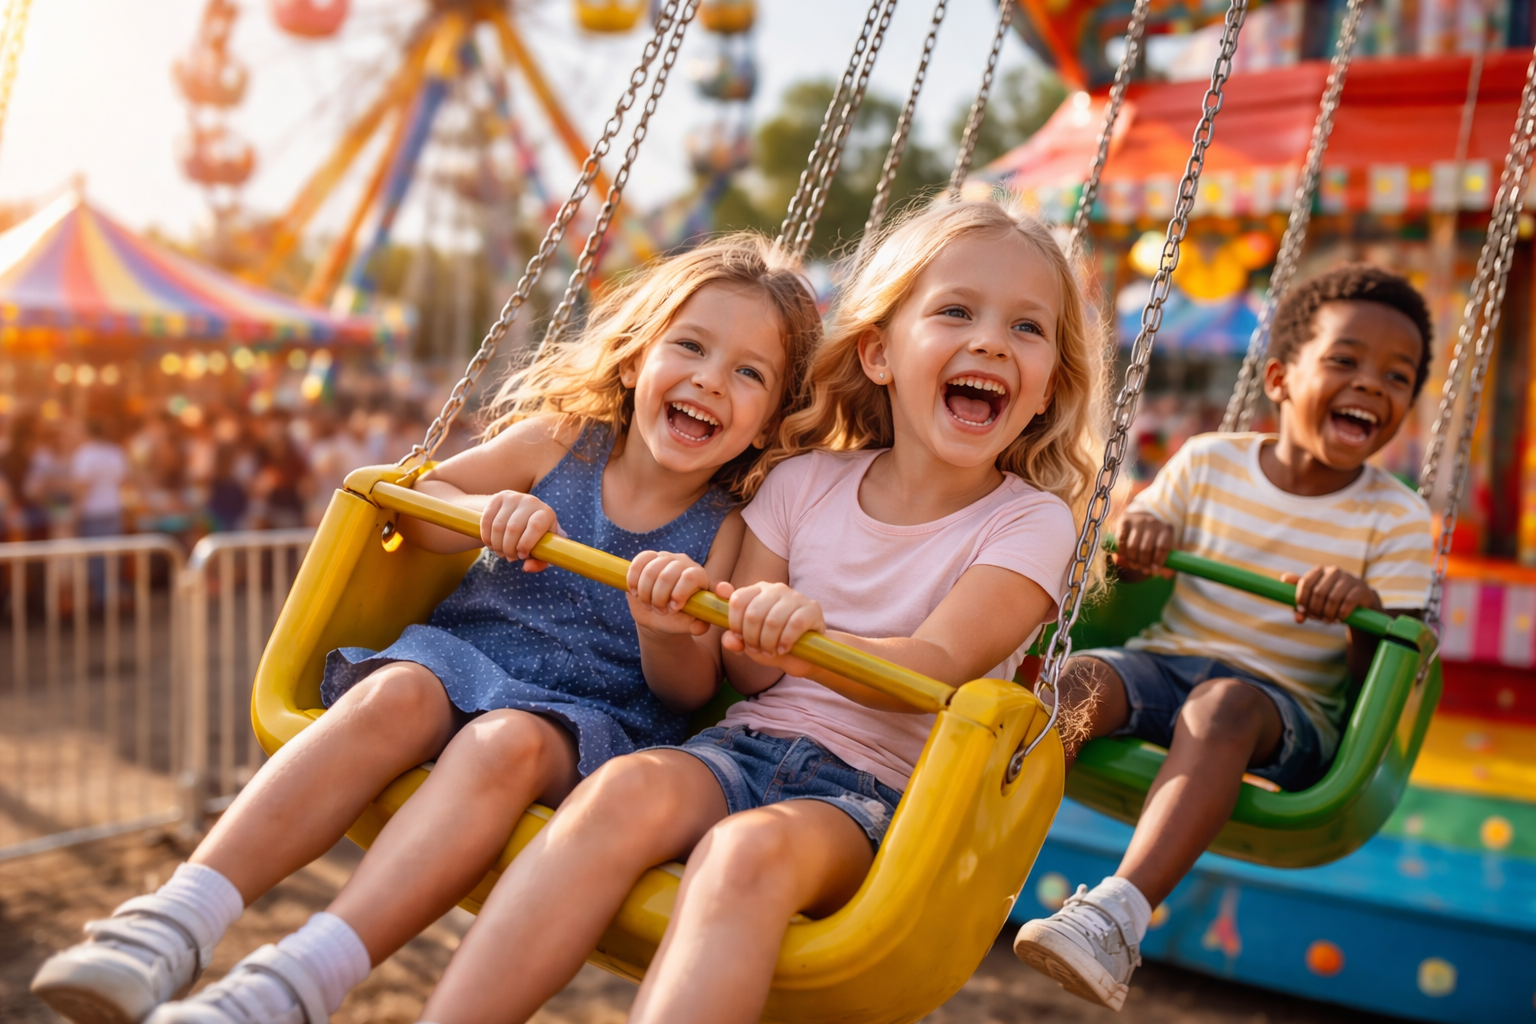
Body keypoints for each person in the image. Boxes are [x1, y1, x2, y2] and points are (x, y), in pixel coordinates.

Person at [31, 234, 823, 1024]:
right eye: (689, 345)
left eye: (748, 373)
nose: (709, 380)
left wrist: (663, 629)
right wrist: (488, 513)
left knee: (505, 741)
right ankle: (170, 922)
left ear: (766, 424)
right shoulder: (559, 444)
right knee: (394, 695)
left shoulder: (725, 528)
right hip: (465, 658)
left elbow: (689, 688)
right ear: (633, 361)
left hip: (592, 720)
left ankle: (288, 986)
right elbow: (430, 509)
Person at [411, 198, 1099, 1024]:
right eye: (956, 311)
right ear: (879, 352)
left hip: (867, 797)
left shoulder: (1027, 521)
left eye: (1027, 329)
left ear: (1048, 389)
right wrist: (719, 627)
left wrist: (806, 638)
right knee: (618, 792)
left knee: (744, 854)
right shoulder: (802, 485)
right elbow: (745, 669)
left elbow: (933, 667)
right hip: (739, 747)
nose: (990, 340)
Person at [1012, 264, 1436, 1010]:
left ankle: (1116, 918)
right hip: (1165, 661)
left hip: (1285, 708)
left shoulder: (1396, 518)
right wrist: (1137, 534)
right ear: (1279, 377)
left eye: (1396, 377)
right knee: (1072, 682)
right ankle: (981, 837)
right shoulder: (1209, 462)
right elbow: (1125, 571)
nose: (1372, 384)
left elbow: (1385, 676)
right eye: (1345, 361)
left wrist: (1363, 609)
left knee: (1223, 706)